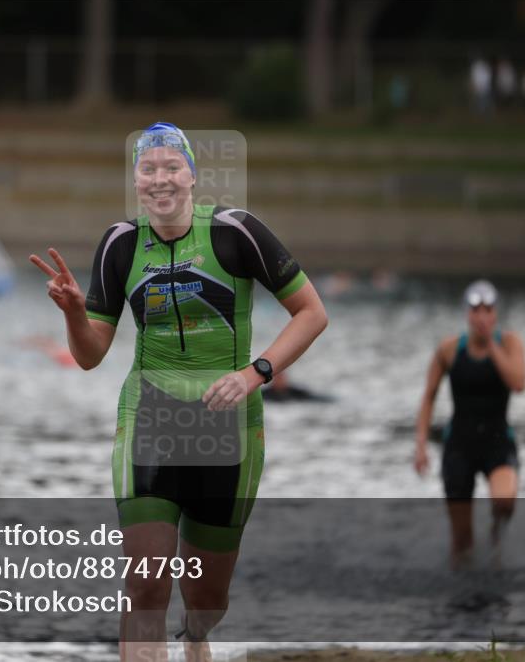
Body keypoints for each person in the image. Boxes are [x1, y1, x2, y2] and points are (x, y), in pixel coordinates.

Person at [30, 122, 328, 661]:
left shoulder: (237, 233)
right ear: (137, 181)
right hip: (151, 417)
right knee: (145, 587)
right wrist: (75, 314)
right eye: (149, 169)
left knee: (207, 601)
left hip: (228, 428)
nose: (160, 178)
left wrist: (254, 373)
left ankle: (196, 638)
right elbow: (90, 354)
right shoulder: (121, 245)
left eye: (172, 167)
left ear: (193, 176)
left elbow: (312, 312)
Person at [414, 280, 525, 569]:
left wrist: (491, 344)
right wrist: (421, 446)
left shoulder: (509, 343)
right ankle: (461, 596)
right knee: (462, 540)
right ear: (467, 313)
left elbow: (518, 383)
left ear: (495, 313)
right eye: (476, 310)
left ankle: (496, 540)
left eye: (488, 310)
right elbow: (428, 397)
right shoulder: (449, 350)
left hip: (497, 441)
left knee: (504, 501)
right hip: (460, 445)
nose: (482, 317)